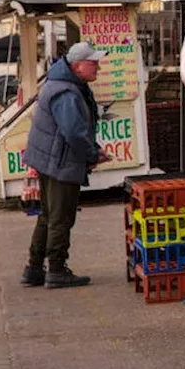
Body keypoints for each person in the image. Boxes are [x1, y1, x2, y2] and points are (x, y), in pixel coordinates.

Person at [21, 42, 112, 289]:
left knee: (48, 215)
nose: (98, 68)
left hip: (50, 159)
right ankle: (57, 270)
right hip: (59, 162)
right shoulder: (67, 93)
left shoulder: (63, 84)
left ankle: (34, 268)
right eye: (93, 63)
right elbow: (73, 132)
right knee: (61, 217)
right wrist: (92, 154)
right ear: (78, 65)